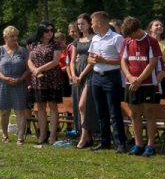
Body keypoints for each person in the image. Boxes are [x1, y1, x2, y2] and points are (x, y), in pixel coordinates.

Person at [120, 16, 162, 157]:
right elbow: (123, 61)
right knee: (134, 114)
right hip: (131, 83)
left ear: (137, 30)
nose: (131, 37)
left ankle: (150, 145)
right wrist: (130, 78)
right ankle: (138, 144)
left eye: (132, 33)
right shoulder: (127, 41)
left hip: (147, 83)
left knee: (149, 114)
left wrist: (139, 80)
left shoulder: (151, 41)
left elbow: (152, 63)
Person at [87, 11, 128, 153]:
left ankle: (120, 143)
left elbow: (122, 60)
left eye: (92, 23)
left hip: (111, 76)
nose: (91, 26)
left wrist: (104, 60)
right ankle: (104, 141)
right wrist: (91, 60)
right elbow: (90, 58)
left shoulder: (117, 38)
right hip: (97, 76)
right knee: (101, 111)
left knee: (114, 111)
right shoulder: (95, 39)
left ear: (99, 23)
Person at [26, 22, 63, 146]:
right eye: (47, 30)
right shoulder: (35, 44)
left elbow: (55, 61)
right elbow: (29, 60)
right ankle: (42, 134)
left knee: (53, 107)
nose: (50, 32)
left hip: (52, 79)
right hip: (38, 79)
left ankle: (52, 135)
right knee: (40, 107)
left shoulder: (56, 45)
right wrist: (34, 71)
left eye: (51, 30)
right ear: (41, 32)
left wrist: (39, 69)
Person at [0, 26, 31, 143]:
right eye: (12, 36)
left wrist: (21, 78)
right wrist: (4, 78)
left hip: (19, 84)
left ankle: (20, 137)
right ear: (5, 37)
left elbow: (28, 69)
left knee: (20, 111)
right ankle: (5, 135)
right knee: (4, 111)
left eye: (16, 36)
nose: (15, 38)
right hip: (3, 85)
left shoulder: (23, 51)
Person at [68, 13, 98, 148]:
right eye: (78, 24)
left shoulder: (95, 39)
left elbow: (92, 60)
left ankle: (85, 136)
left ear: (89, 24)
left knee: (83, 105)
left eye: (83, 24)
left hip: (90, 73)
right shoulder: (77, 41)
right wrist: (74, 75)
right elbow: (72, 61)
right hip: (77, 74)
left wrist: (81, 75)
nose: (80, 27)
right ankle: (86, 135)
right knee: (79, 107)